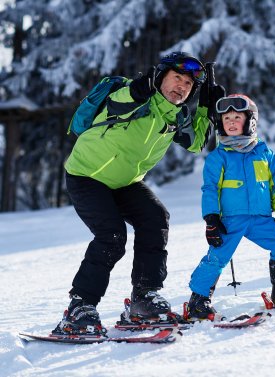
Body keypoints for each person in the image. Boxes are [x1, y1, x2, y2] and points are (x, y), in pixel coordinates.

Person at [53, 52, 225, 335]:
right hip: (86, 176)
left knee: (155, 218)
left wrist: (206, 105)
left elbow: (196, 143)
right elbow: (120, 101)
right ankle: (79, 308)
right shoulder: (136, 95)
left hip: (124, 182)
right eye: (177, 78)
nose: (181, 87)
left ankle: (143, 299)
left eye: (188, 84)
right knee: (112, 235)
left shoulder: (176, 116)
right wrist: (141, 87)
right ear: (161, 77)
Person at [188, 94, 275, 320]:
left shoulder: (265, 153)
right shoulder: (218, 157)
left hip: (262, 219)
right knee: (217, 257)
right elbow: (210, 189)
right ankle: (198, 301)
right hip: (230, 220)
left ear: (250, 121)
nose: (230, 122)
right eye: (226, 118)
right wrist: (211, 218)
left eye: (236, 117)